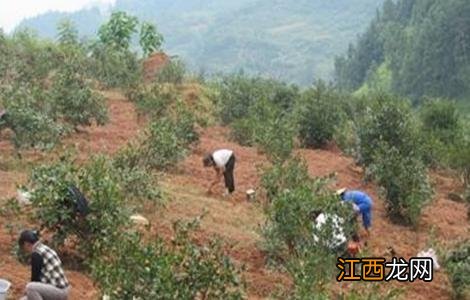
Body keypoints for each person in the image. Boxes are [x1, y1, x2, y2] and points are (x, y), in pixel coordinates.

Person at [18, 230, 70, 300]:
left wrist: (27, 291)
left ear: (26, 243)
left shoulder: (36, 254)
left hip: (59, 291)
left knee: (30, 287)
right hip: (56, 289)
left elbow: (35, 280)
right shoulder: (43, 248)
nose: (26, 251)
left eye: (24, 247)